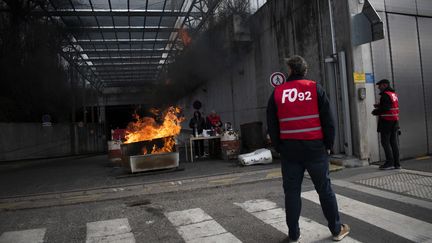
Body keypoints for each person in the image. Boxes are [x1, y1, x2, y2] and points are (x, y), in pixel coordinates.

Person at [266, 55, 350, 242]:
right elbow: (328, 120)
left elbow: (271, 123)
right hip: (315, 149)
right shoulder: (314, 88)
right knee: (324, 189)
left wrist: (279, 146)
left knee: (292, 192)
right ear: (305, 70)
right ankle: (336, 230)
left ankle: (294, 235)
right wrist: (328, 145)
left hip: (290, 150)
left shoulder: (278, 92)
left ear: (289, 70)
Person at [372, 79, 401, 170]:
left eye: (379, 86)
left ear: (384, 85)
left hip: (386, 122)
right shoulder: (393, 94)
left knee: (385, 142)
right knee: (393, 143)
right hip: (394, 122)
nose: (378, 88)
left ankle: (390, 162)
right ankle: (397, 163)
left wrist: (375, 111)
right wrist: (379, 106)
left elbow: (386, 108)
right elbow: (390, 106)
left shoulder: (385, 95)